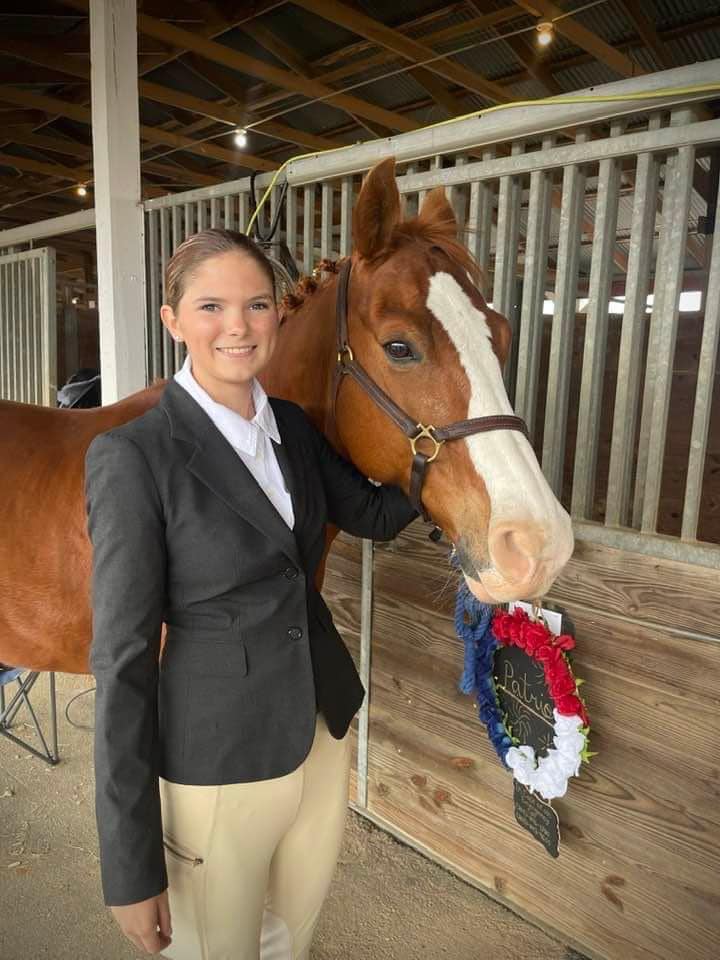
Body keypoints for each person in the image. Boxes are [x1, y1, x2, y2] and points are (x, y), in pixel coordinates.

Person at [84, 228, 418, 960]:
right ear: (173, 321)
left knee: (292, 939)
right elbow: (124, 659)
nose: (237, 326)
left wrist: (446, 446)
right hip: (220, 760)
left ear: (276, 314)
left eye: (257, 304)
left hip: (322, 729)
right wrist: (130, 865)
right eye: (211, 306)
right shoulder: (133, 457)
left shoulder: (292, 426)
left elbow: (373, 515)